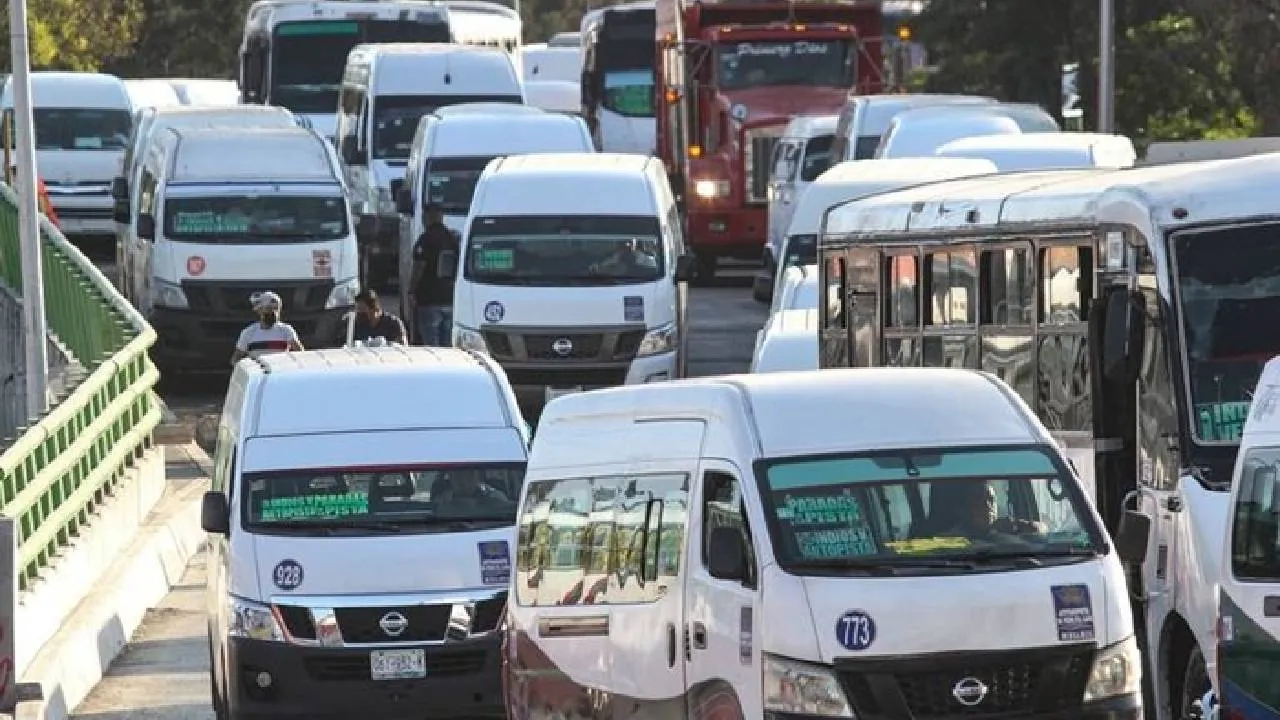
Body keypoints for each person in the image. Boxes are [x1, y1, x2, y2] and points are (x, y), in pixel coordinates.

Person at [409, 204, 460, 346]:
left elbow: (419, 266)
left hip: (429, 300)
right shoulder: (454, 238)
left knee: (431, 346)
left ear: (427, 217)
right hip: (450, 299)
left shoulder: (425, 239)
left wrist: (412, 290)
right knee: (448, 347)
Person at [936, 481, 1046, 539]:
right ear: (963, 508)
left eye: (991, 499)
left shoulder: (1009, 531)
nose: (988, 505)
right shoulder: (951, 540)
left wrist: (1017, 525)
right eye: (978, 499)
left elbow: (1043, 530)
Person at [231, 291, 303, 365]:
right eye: (269, 310)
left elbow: (300, 353)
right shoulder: (248, 332)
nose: (274, 313)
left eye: (276, 309)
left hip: (280, 372)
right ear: (260, 311)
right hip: (258, 374)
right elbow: (235, 359)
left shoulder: (286, 329)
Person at [343, 288, 407, 346]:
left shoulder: (393, 324)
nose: (358, 313)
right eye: (357, 309)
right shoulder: (355, 325)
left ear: (374, 309)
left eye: (362, 309)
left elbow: (402, 349)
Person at [591, 238, 658, 275]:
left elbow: (654, 272)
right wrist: (613, 260)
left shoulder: (647, 259)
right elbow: (598, 269)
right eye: (623, 243)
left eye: (630, 243)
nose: (627, 245)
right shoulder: (610, 258)